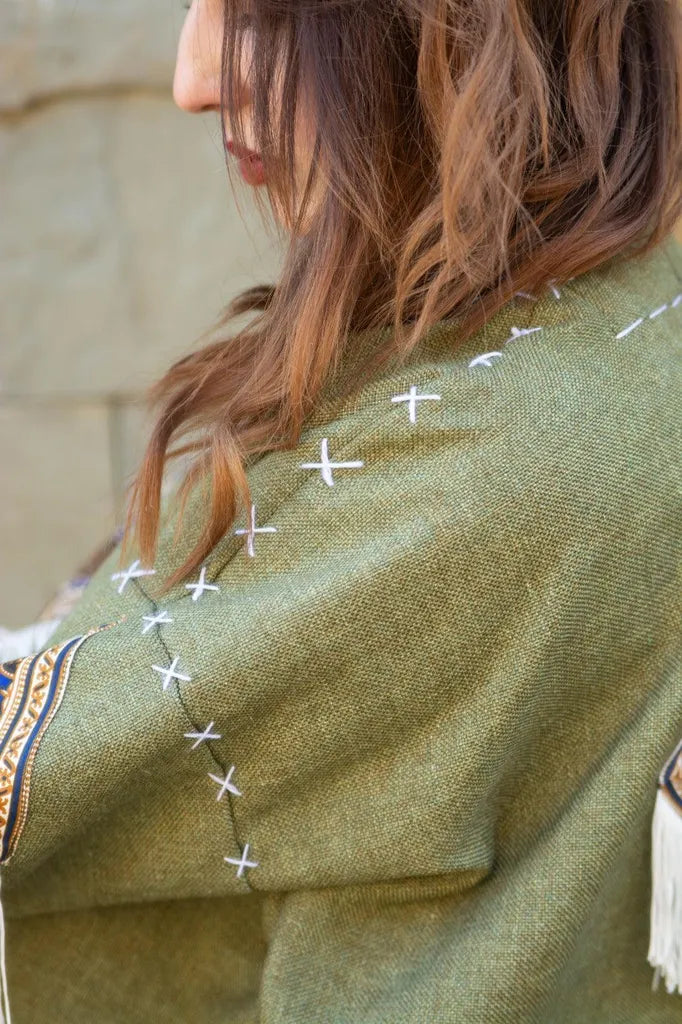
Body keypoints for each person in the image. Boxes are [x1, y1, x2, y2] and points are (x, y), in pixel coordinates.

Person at [1, 1, 681, 1021]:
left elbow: (47, 771)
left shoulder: (483, 467)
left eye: (266, 13)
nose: (192, 81)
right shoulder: (636, 298)